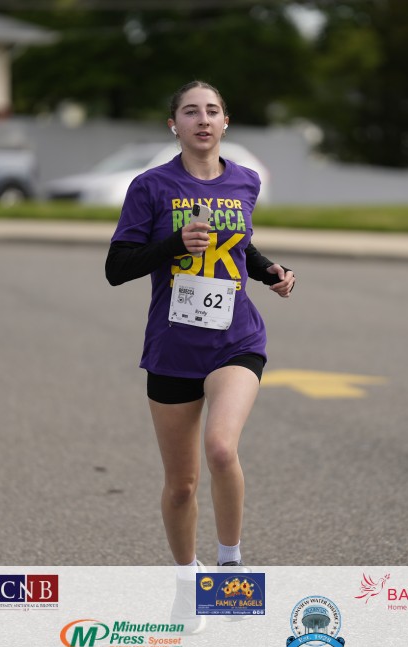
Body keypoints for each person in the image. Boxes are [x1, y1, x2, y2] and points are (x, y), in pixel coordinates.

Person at [105, 81, 295, 582]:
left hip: (236, 340)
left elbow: (240, 246)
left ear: (225, 122)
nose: (203, 119)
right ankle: (186, 576)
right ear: (175, 125)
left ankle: (230, 567)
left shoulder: (245, 181)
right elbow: (116, 268)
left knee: (221, 448)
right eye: (191, 112)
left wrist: (270, 271)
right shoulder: (150, 187)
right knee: (182, 486)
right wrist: (175, 243)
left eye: (212, 111)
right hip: (173, 348)